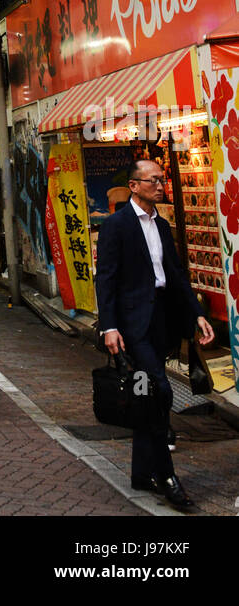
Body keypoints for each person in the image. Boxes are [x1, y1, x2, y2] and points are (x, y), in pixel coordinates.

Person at [95, 156, 214, 509]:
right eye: (154, 181)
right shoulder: (116, 225)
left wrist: (197, 315)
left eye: (161, 180)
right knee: (160, 391)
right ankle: (166, 476)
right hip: (133, 325)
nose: (160, 186)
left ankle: (139, 471)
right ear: (134, 186)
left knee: (146, 397)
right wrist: (110, 326)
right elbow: (107, 278)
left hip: (161, 319)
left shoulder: (161, 226)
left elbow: (175, 275)